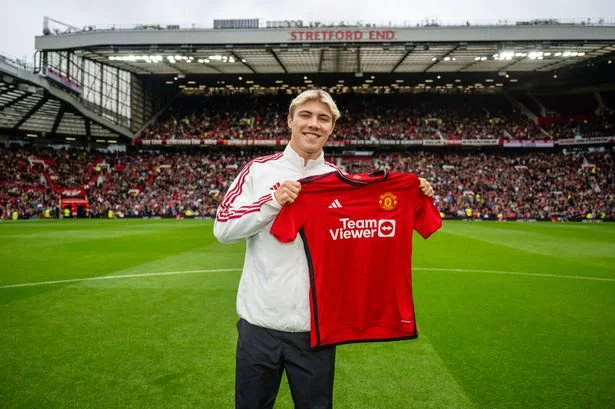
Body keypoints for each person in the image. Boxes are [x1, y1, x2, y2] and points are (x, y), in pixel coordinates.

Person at [213, 89, 434, 409]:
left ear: (331, 128)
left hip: (316, 330)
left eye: (323, 118)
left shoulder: (339, 180)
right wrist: (272, 202)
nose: (313, 124)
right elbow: (223, 228)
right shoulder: (258, 171)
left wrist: (415, 192)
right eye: (305, 115)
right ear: (290, 120)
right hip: (259, 326)